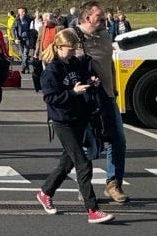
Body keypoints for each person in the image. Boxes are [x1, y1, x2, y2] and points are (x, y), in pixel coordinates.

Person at [36, 29, 114, 224]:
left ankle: (46, 192)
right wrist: (73, 93)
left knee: (68, 161)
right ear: (59, 47)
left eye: (74, 49)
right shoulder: (51, 71)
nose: (73, 53)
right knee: (82, 162)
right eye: (70, 50)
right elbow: (51, 98)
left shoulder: (74, 63)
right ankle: (92, 209)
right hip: (62, 121)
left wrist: (90, 82)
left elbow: (81, 79)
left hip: (77, 118)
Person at [75, 1, 131, 205]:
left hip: (108, 95)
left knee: (117, 140)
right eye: (99, 15)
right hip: (86, 99)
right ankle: (84, 186)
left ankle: (113, 183)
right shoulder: (74, 36)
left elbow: (110, 64)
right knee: (88, 143)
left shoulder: (105, 35)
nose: (104, 18)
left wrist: (115, 89)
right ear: (87, 17)